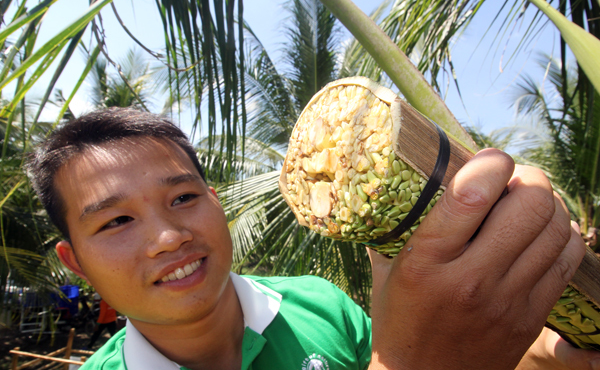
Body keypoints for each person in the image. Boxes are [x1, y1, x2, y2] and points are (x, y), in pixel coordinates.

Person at [26, 108, 600, 369]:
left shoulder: (313, 302)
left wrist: (547, 355)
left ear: (216, 202)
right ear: (74, 261)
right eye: (116, 222)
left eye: (183, 198)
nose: (167, 237)